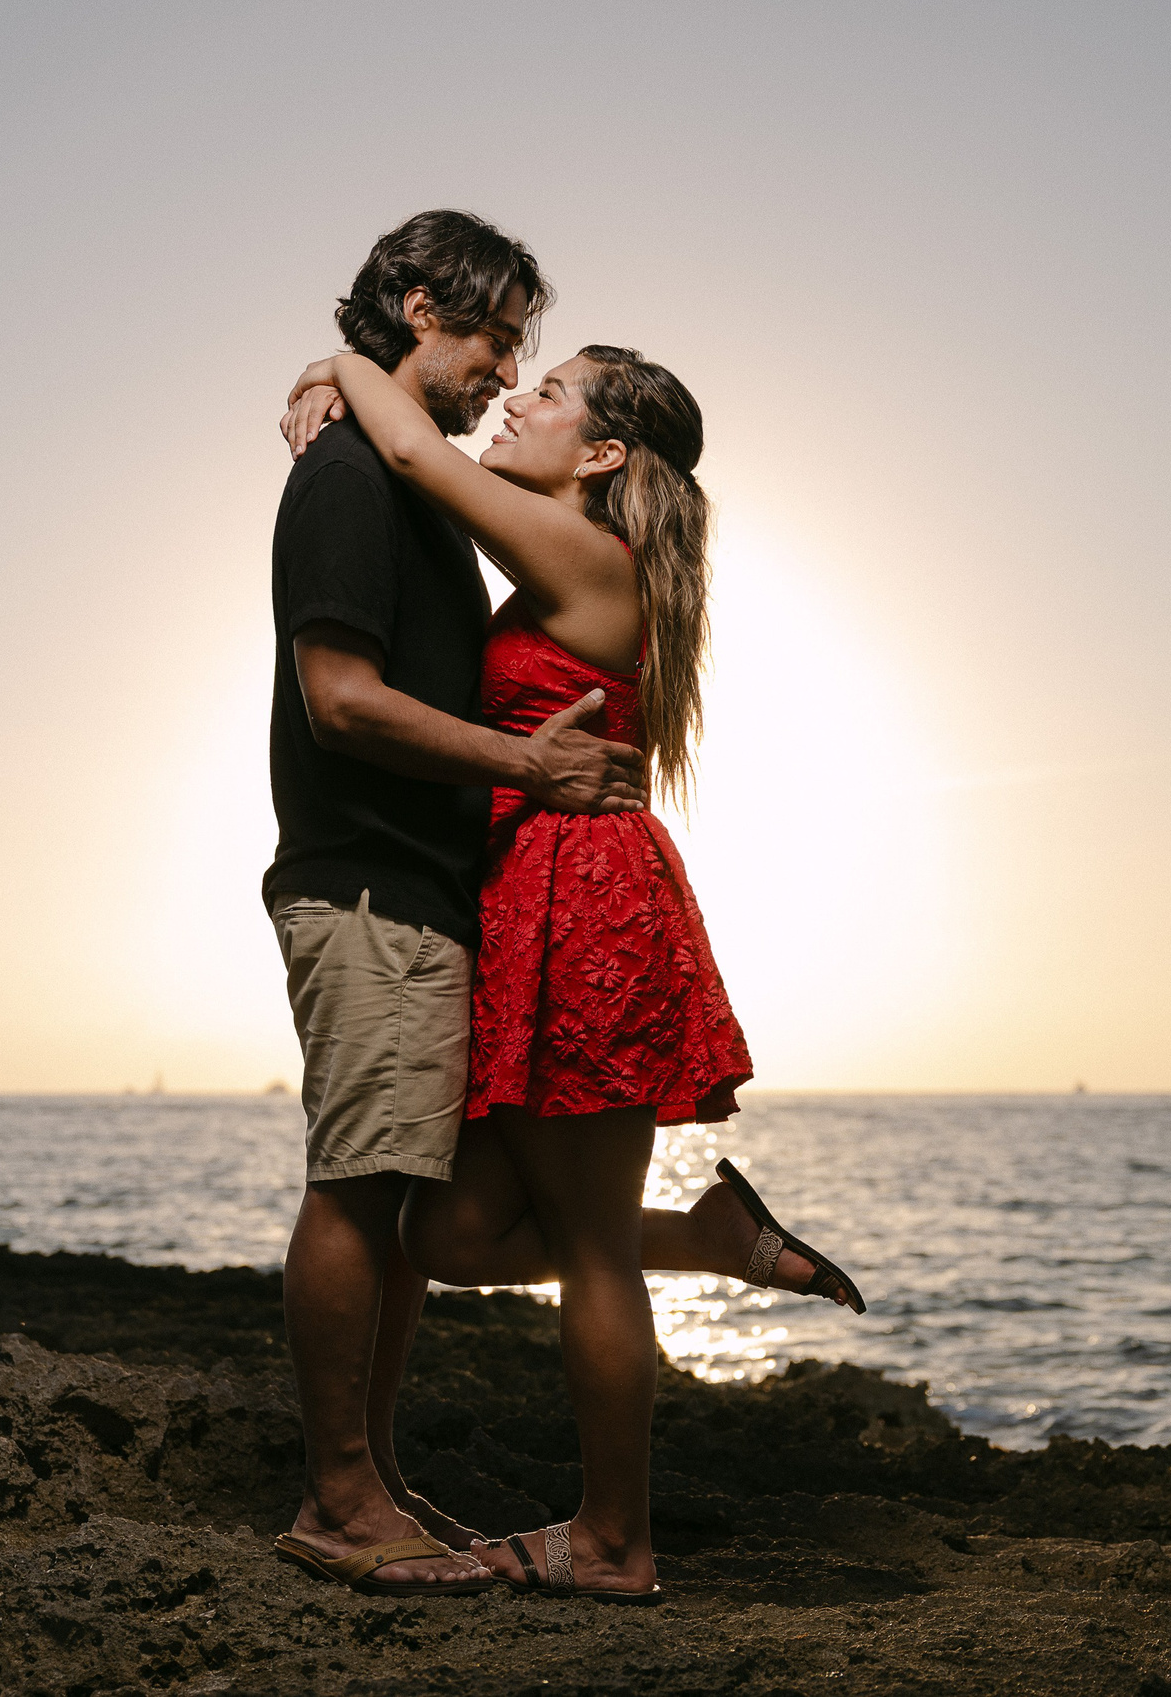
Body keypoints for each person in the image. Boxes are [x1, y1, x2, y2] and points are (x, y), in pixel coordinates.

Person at [278, 331, 866, 1601]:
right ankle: (712, 1238)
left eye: (546, 393)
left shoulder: (582, 550)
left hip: (578, 899)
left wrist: (339, 356)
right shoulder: (586, 560)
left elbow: (411, 449)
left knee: (586, 1248)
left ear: (601, 452)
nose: (519, 401)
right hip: (533, 896)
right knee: (448, 1225)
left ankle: (611, 1543)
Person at [263, 210, 651, 1599]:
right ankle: (339, 1494)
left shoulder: (433, 491)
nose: (505, 371)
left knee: (415, 1208)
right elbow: (341, 698)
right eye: (498, 339)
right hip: (372, 877)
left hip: (455, 892)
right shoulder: (358, 482)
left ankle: (367, 1471)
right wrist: (522, 765)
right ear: (424, 307)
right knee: (364, 1191)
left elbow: (433, 448)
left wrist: (338, 362)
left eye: (533, 367)